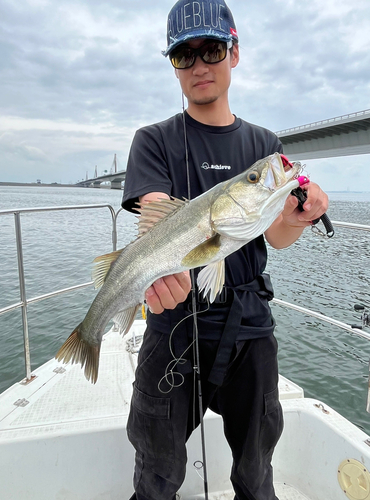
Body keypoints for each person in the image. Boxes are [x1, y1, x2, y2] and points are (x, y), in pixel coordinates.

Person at [122, 1, 328, 499]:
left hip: (250, 323)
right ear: (172, 64)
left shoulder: (265, 147)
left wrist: (297, 217)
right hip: (175, 322)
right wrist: (153, 275)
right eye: (183, 56)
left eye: (211, 49)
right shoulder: (154, 140)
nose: (199, 66)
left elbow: (274, 236)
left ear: (234, 53)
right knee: (157, 473)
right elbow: (155, 219)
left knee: (257, 475)